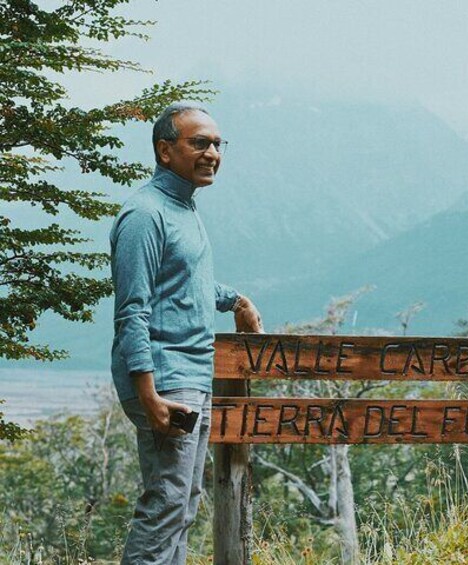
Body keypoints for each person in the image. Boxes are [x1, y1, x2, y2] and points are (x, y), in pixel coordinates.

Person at [110, 102, 263, 564]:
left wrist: (237, 300)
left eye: (217, 144)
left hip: (192, 375)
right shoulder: (145, 215)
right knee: (166, 504)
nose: (212, 153)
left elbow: (186, 284)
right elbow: (132, 310)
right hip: (165, 379)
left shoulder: (182, 207)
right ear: (164, 150)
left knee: (183, 503)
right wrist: (148, 393)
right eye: (200, 143)